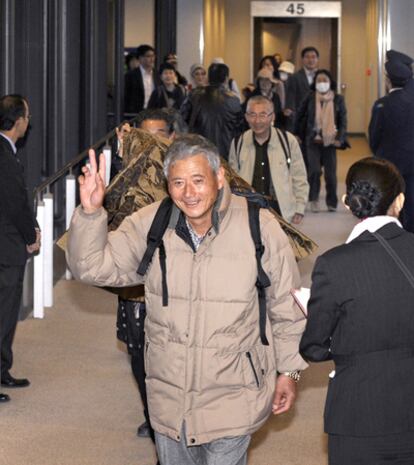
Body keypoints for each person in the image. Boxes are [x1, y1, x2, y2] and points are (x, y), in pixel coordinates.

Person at [66, 134, 307, 465]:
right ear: (167, 185)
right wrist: (91, 214)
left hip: (234, 396)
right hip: (169, 399)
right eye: (178, 182)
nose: (189, 193)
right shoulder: (152, 223)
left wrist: (289, 371)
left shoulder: (259, 226)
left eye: (198, 180)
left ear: (219, 176)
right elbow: (91, 268)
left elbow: (286, 304)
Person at [300, 157, 414, 465]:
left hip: (358, 413)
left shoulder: (333, 265)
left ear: (348, 203)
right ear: (400, 200)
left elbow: (313, 346)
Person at [0, 94, 41, 403]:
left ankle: (3, 368)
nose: (29, 121)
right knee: (4, 312)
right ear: (18, 121)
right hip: (8, 245)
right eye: (26, 116)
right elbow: (15, 203)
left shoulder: (5, 151)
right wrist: (32, 234)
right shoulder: (5, 155)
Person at [230, 95, 308, 225]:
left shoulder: (288, 141)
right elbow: (233, 182)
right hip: (248, 209)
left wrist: (300, 207)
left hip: (280, 209)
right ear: (246, 117)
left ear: (272, 117)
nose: (257, 120)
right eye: (252, 115)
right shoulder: (238, 143)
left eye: (263, 115)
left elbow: (299, 176)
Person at [369, 49, 414, 233]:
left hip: (389, 165)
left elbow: (374, 138)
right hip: (413, 167)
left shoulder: (382, 104)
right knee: (411, 205)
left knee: (390, 206)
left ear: (388, 80)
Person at [295, 69, 348, 213]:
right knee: (314, 171)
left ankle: (331, 202)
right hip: (312, 140)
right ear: (315, 83)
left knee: (330, 174)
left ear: (330, 82)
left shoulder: (338, 99)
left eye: (325, 80)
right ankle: (313, 199)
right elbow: (299, 115)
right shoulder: (310, 97)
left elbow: (343, 121)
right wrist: (296, 134)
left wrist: (340, 138)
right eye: (319, 80)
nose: (322, 83)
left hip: (330, 142)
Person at [181, 63, 244, 160]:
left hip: (199, 150)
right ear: (226, 78)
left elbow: (182, 119)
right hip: (225, 153)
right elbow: (239, 130)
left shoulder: (194, 95)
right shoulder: (234, 100)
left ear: (208, 78)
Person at [285, 46, 319, 127]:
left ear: (317, 59)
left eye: (313, 57)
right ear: (302, 59)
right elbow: (291, 97)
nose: (310, 60)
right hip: (301, 118)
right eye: (307, 57)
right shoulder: (294, 77)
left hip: (319, 118)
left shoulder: (323, 77)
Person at [124, 44, 158, 114]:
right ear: (140, 58)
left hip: (155, 113)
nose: (152, 59)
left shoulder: (158, 75)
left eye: (153, 56)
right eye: (148, 56)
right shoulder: (131, 75)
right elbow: (126, 97)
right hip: (136, 113)